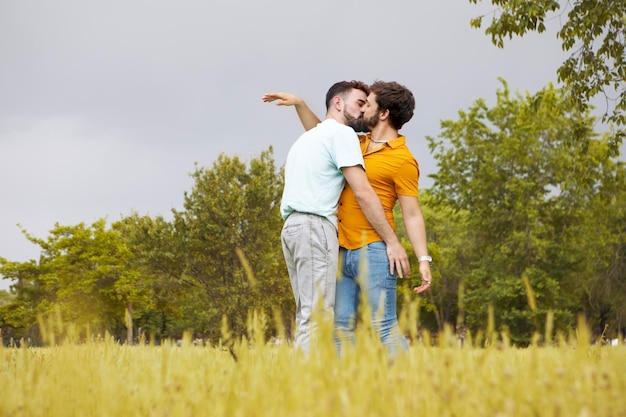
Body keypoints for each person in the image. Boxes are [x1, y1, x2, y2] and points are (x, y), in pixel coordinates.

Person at [263, 81, 432, 356]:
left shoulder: (403, 159)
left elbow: (412, 214)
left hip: (376, 248)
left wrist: (422, 258)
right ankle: (347, 388)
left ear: (384, 113)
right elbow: (321, 131)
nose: (363, 108)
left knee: (383, 325)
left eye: (369, 104)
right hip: (340, 248)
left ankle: (411, 384)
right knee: (339, 327)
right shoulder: (354, 141)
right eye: (361, 103)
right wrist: (300, 104)